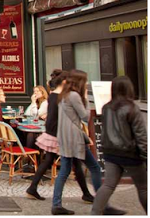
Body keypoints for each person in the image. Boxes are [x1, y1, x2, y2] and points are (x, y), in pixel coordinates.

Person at [51, 69, 124, 215]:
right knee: (94, 168)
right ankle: (102, 204)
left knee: (65, 170)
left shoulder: (63, 95)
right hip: (74, 138)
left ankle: (56, 204)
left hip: (65, 137)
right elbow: (85, 116)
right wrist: (85, 98)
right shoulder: (74, 96)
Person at [26, 71, 93, 202]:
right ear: (63, 82)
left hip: (52, 131)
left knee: (50, 161)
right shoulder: (61, 97)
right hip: (59, 132)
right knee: (75, 163)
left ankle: (32, 188)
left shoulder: (52, 96)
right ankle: (85, 193)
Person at [92, 76, 147, 215]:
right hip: (130, 154)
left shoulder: (106, 108)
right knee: (143, 188)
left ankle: (95, 213)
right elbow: (141, 135)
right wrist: (145, 154)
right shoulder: (132, 108)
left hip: (111, 153)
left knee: (108, 185)